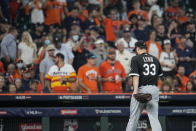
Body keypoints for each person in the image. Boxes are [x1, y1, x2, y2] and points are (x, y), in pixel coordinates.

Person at [126, 41, 162, 131]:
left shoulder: (135, 58)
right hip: (154, 89)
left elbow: (135, 76)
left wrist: (135, 91)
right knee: (154, 119)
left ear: (138, 48)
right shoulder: (155, 59)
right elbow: (160, 76)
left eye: (136, 49)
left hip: (141, 89)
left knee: (133, 119)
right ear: (145, 48)